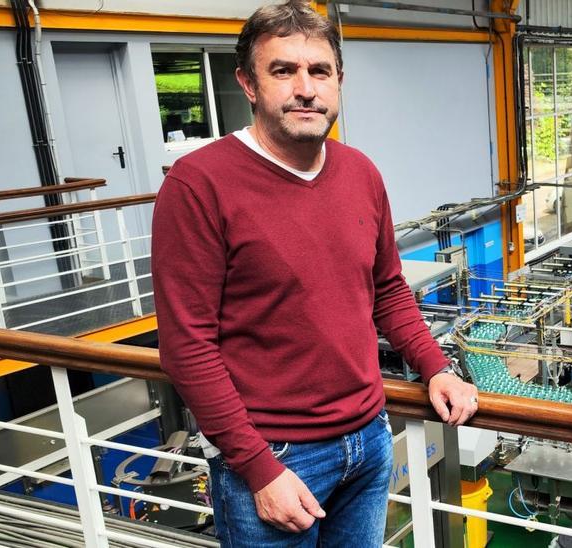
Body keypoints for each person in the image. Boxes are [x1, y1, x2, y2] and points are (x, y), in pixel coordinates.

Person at [151, 2, 478, 545]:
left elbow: (388, 291)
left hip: (369, 440)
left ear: (338, 82)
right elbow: (187, 347)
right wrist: (259, 469)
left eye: (319, 71)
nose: (305, 88)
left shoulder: (360, 172)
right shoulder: (199, 185)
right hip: (276, 456)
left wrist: (436, 367)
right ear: (248, 84)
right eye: (283, 70)